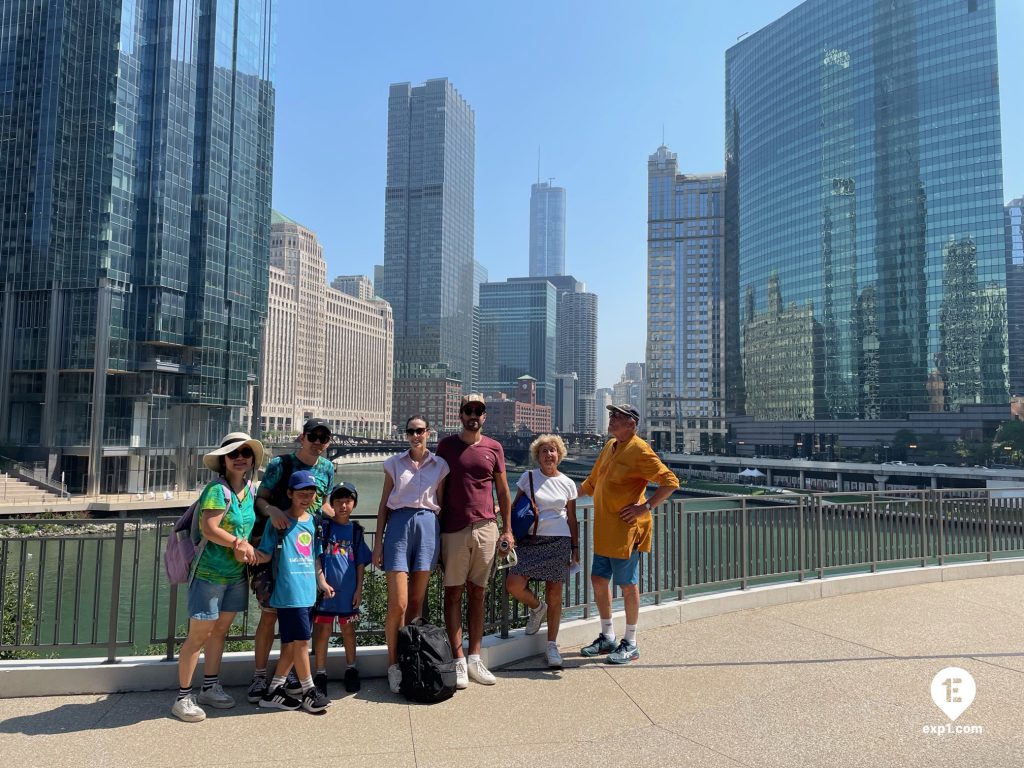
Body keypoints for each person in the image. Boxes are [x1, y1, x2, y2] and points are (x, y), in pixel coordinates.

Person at [171, 432, 263, 723]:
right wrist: (239, 543)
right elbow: (210, 529)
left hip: (235, 575)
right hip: (209, 573)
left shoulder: (249, 490)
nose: (240, 458)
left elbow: (250, 527)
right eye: (233, 453)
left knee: (220, 631)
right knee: (198, 635)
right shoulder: (216, 490)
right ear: (223, 460)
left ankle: (210, 685)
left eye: (245, 453)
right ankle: (183, 696)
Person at [579, 404, 679, 664]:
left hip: (625, 532)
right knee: (599, 580)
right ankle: (607, 636)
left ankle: (631, 642)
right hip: (604, 531)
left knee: (627, 585)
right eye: (611, 415)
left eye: (617, 417)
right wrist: (561, 497)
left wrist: (644, 507)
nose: (611, 419)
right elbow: (591, 483)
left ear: (631, 424)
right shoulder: (610, 446)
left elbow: (670, 481)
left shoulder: (639, 449)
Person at [247, 417, 336, 703]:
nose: (319, 442)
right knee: (269, 614)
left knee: (302, 614)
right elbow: (260, 499)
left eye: (324, 438)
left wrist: (343, 519)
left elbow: (323, 504)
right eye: (314, 436)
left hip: (305, 548)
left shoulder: (327, 468)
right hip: (274, 549)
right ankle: (261, 677)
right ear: (303, 437)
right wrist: (273, 510)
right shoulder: (280, 465)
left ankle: (292, 678)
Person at [436, 394, 512, 688]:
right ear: (460, 415)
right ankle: (457, 660)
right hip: (453, 529)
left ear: (485, 416)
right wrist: (437, 527)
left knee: (478, 593)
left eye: (479, 411)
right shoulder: (446, 446)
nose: (474, 415)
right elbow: (439, 489)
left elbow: (504, 493)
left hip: (486, 528)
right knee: (452, 593)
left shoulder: (494, 447)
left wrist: (507, 531)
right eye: (469, 410)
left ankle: (474, 658)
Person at [372, 415, 449, 694]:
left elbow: (442, 503)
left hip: (428, 528)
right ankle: (393, 665)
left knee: (416, 604)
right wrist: (378, 543)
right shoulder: (394, 464)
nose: (415, 435)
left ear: (429, 433)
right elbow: (383, 506)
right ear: (406, 435)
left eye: (420, 431)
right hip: (399, 528)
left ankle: (411, 660)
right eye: (410, 431)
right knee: (399, 604)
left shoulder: (440, 466)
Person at [253, 470, 331, 713]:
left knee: (290, 644)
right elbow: (265, 553)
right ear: (290, 493)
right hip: (287, 594)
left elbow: (315, 558)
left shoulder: (313, 523)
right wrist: (245, 550)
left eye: (310, 493)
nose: (306, 497)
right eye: (301, 493)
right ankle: (309, 690)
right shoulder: (277, 523)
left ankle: (273, 691)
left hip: (307, 592)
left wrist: (322, 583)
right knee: (301, 643)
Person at [505, 434, 579, 670]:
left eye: (553, 450)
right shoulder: (528, 478)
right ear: (538, 456)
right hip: (530, 540)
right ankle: (538, 608)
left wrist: (575, 548)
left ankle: (552, 646)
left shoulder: (568, 483)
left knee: (555, 594)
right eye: (544, 451)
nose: (549, 454)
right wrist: (506, 529)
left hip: (559, 541)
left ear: (559, 455)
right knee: (513, 583)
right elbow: (515, 508)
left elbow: (573, 519)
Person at [312, 482, 372, 697]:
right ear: (332, 504)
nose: (343, 505)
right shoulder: (324, 528)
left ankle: (351, 669)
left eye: (347, 501)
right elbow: (317, 557)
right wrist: (321, 583)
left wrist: (359, 590)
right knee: (323, 632)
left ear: (354, 504)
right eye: (338, 501)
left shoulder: (356, 531)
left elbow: (360, 564)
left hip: (348, 592)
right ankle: (320, 673)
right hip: (326, 592)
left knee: (348, 630)